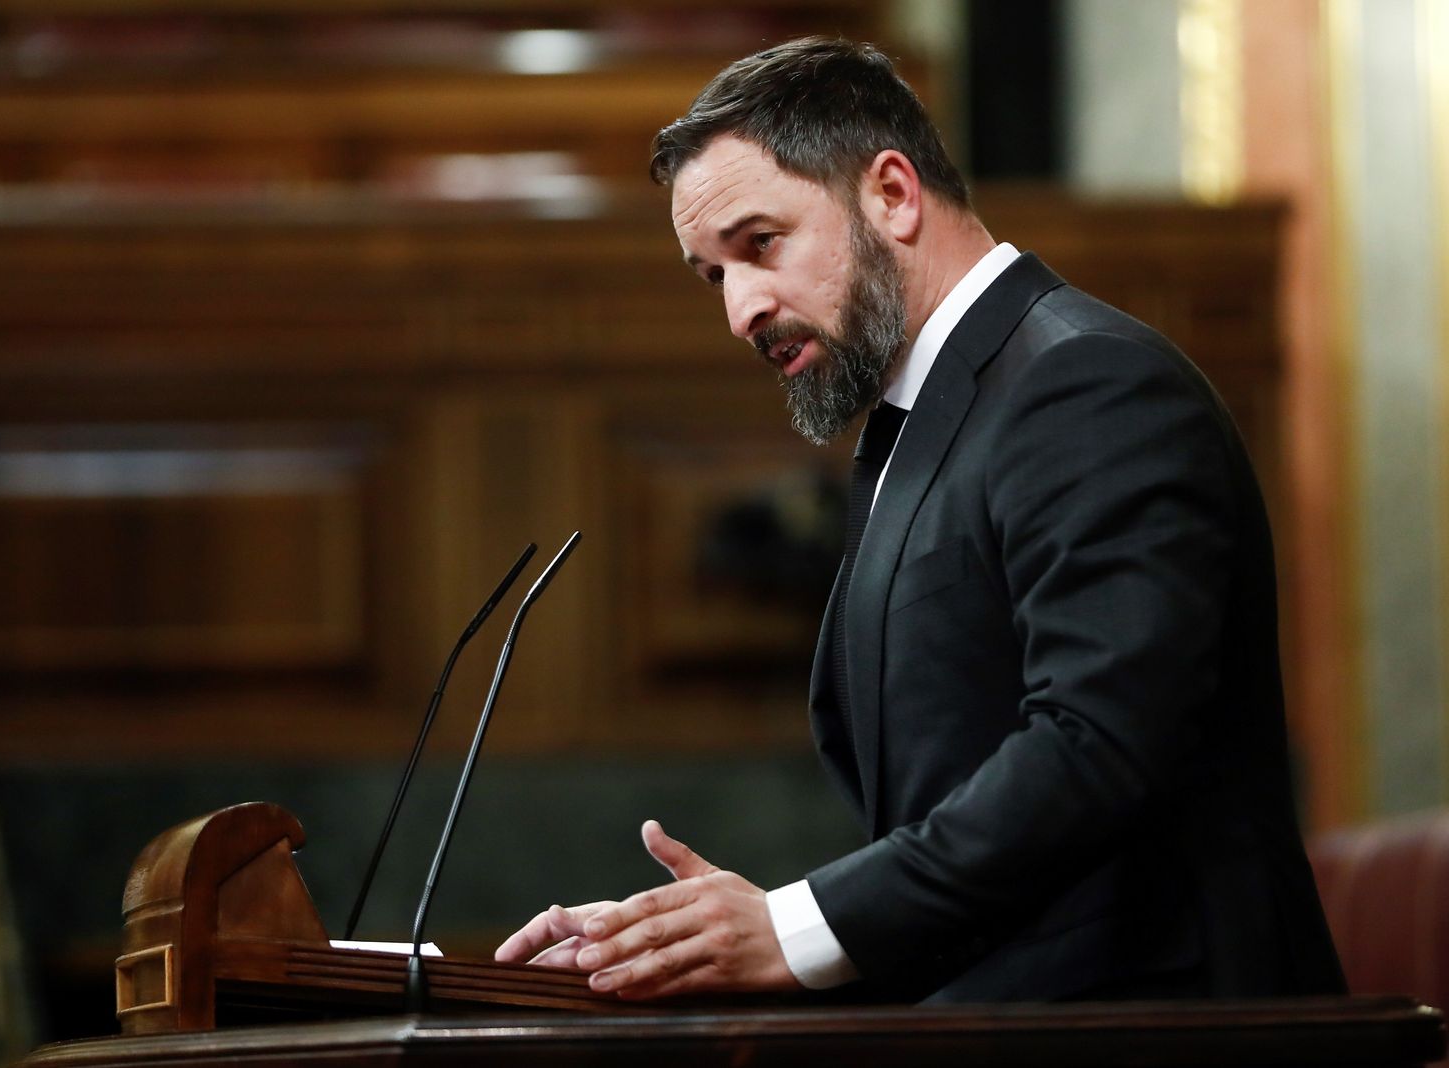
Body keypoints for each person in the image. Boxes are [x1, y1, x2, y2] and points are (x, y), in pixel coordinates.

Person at [495, 36, 1345, 1004]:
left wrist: (791, 928)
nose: (740, 309)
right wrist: (697, 943)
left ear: (891, 194)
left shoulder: (1084, 383)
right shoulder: (933, 418)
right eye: (712, 275)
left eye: (758, 244)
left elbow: (1098, 747)